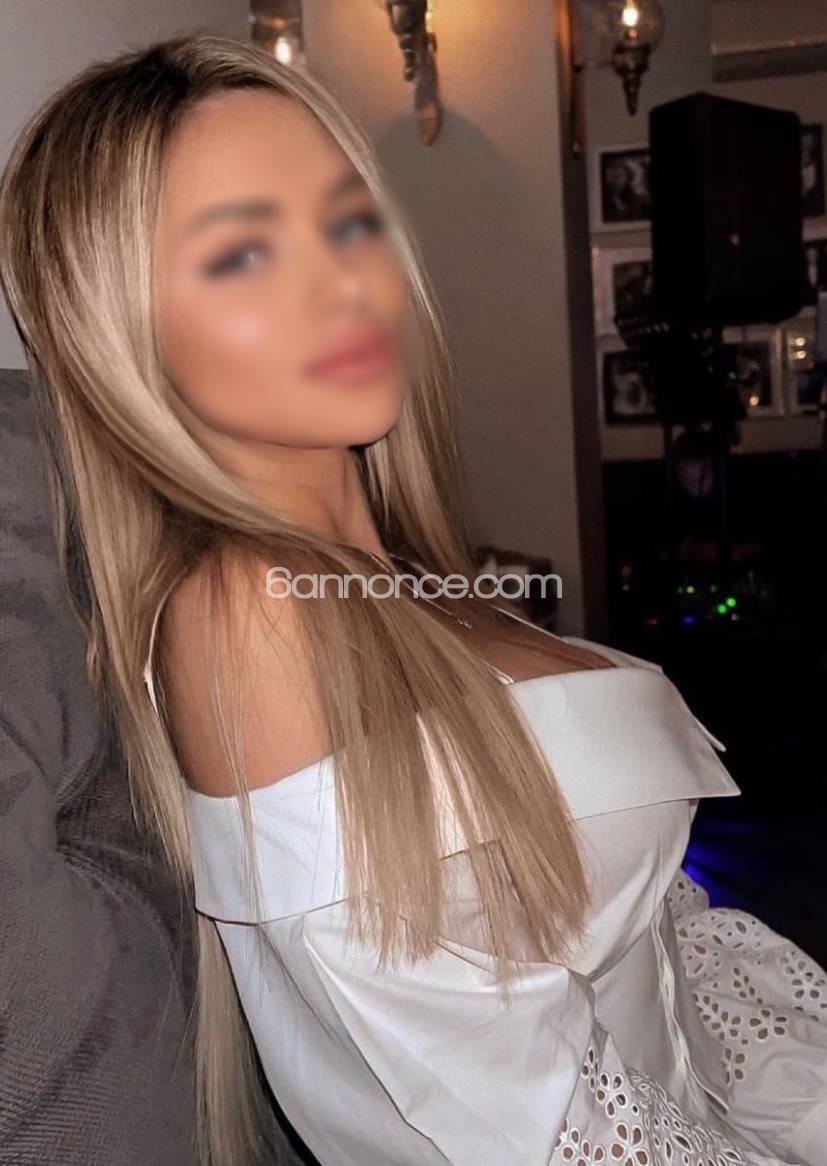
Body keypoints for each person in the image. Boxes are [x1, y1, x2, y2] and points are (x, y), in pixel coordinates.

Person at [0, 31, 825, 1166]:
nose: (345, 282)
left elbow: (642, 938)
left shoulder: (404, 578)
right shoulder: (250, 610)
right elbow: (511, 1116)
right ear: (121, 331)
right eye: (243, 253)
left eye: (349, 222)